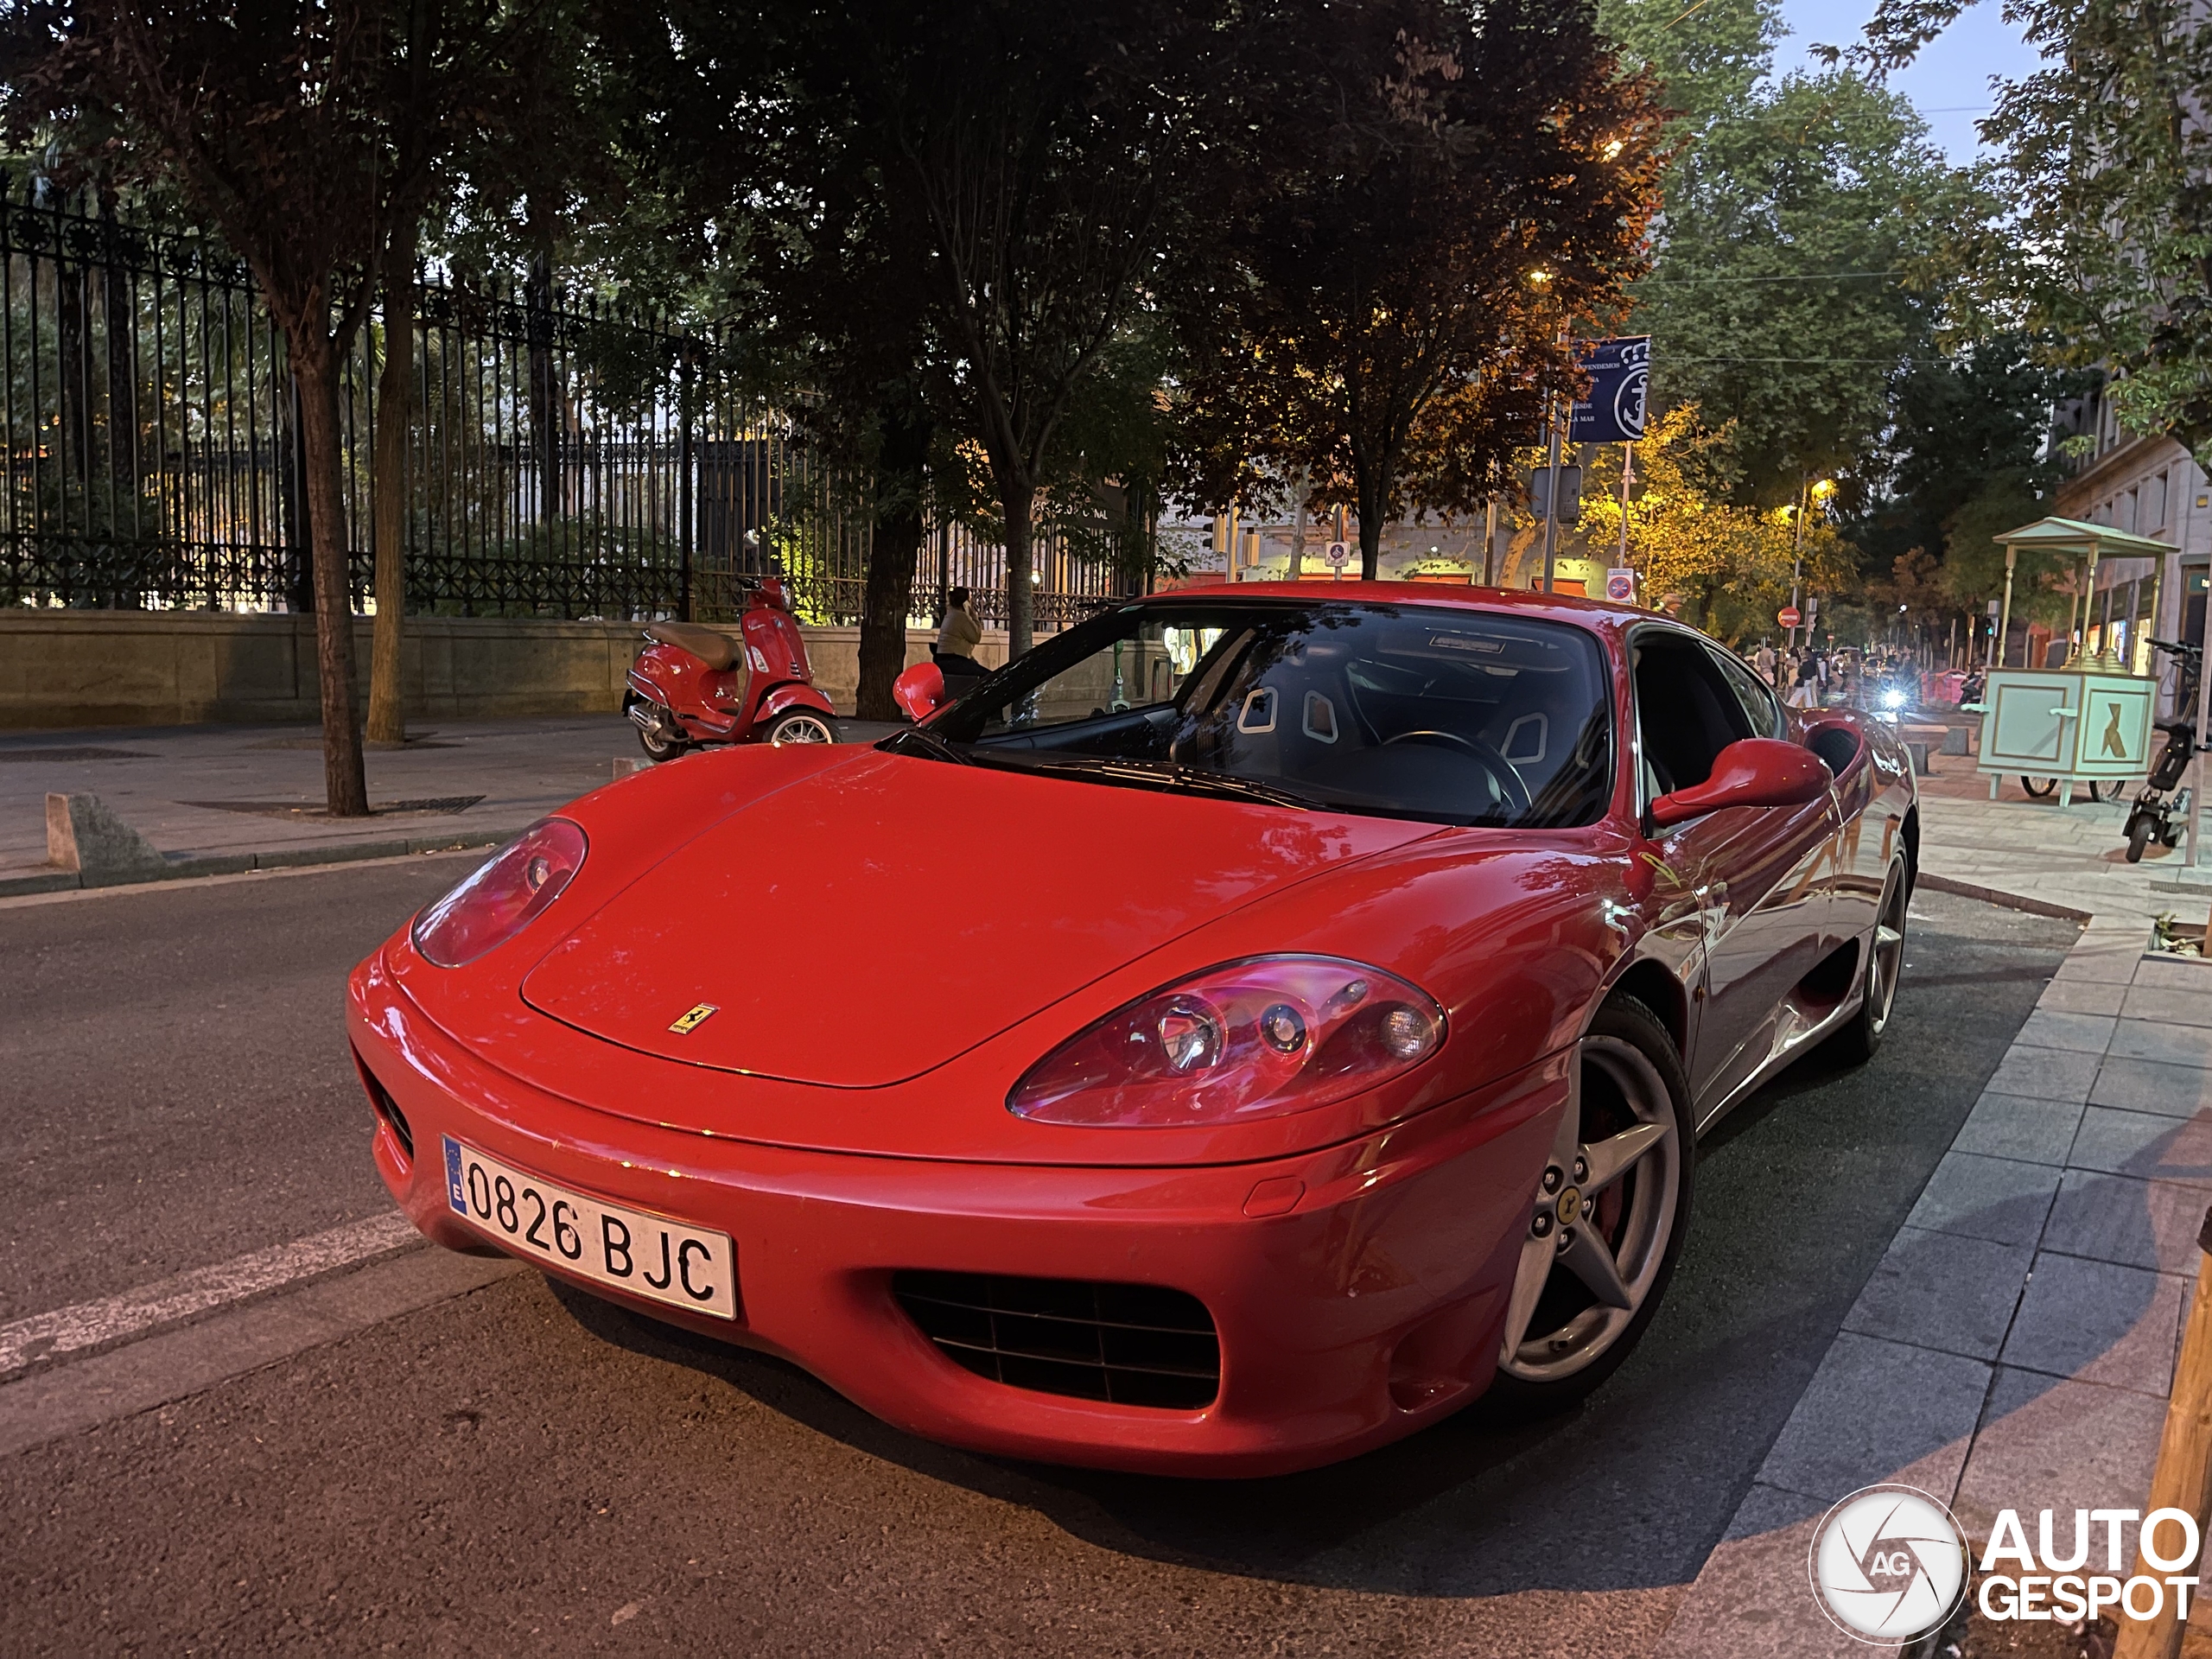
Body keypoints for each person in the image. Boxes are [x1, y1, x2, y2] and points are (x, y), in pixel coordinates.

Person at [933, 588, 986, 679]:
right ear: (965, 603)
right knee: (989, 677)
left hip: (944, 660)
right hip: (956, 661)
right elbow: (976, 637)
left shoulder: (950, 615)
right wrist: (973, 614)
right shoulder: (961, 617)